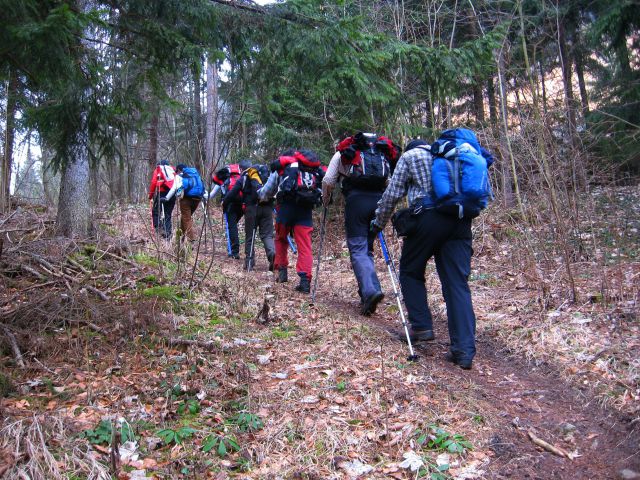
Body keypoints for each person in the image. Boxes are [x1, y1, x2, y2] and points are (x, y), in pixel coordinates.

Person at [371, 136, 488, 370]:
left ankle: (422, 326)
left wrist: (377, 223)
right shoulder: (451, 155)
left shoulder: (411, 156)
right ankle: (464, 351)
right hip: (460, 221)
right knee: (457, 284)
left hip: (427, 219)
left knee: (411, 271)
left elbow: (392, 194)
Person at [322, 132, 400, 316]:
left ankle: (370, 290)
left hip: (356, 202)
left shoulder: (347, 151)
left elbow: (328, 180)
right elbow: (389, 180)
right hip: (378, 202)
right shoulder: (382, 153)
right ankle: (369, 293)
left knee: (358, 248)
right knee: (367, 249)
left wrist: (326, 199)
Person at [259, 149, 324, 293]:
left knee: (281, 239)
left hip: (286, 208)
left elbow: (268, 190)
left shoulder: (284, 167)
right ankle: (305, 281)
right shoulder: (312, 170)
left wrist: (261, 196)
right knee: (304, 246)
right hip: (305, 210)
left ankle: (281, 272)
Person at [224, 161, 276, 271]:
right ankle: (272, 254)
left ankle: (249, 262)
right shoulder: (267, 176)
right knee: (267, 235)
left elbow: (233, 192)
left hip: (251, 208)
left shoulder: (245, 177)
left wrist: (225, 203)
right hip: (267, 208)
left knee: (250, 236)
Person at [210, 160, 251, 259]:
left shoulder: (226, 177)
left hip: (230, 203)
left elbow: (212, 194)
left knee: (232, 226)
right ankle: (249, 252)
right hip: (243, 202)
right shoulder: (247, 176)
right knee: (242, 226)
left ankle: (235, 251)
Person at [163, 164, 204, 243]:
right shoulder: (196, 174)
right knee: (185, 218)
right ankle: (180, 237)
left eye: (177, 171)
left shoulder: (180, 176)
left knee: (186, 218)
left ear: (178, 170)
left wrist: (166, 198)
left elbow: (174, 188)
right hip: (197, 199)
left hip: (186, 199)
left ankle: (191, 239)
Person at [148, 159, 176, 239]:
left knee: (156, 211)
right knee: (168, 214)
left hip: (162, 193)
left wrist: (150, 195)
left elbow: (153, 183)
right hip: (172, 194)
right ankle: (168, 233)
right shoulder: (173, 170)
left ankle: (159, 229)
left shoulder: (158, 169)